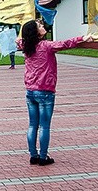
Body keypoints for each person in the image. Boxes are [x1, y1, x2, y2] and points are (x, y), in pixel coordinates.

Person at [18, 19, 93, 166]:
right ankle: (43, 157)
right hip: (45, 91)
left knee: (33, 124)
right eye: (39, 26)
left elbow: (18, 40)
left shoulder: (25, 45)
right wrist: (82, 38)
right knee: (44, 126)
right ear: (35, 32)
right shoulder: (46, 46)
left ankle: (33, 155)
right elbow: (65, 44)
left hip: (31, 91)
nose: (43, 26)